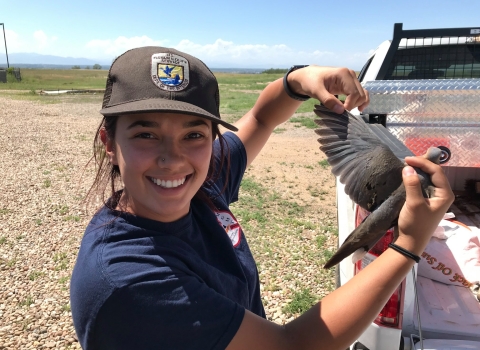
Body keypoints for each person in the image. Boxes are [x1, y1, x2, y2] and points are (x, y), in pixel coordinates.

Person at [70, 46, 454, 350]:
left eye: (194, 134)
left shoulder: (199, 183)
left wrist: (299, 80)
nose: (173, 160)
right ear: (109, 142)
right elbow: (291, 346)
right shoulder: (129, 276)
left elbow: (261, 119)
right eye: (146, 134)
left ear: (211, 139)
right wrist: (407, 246)